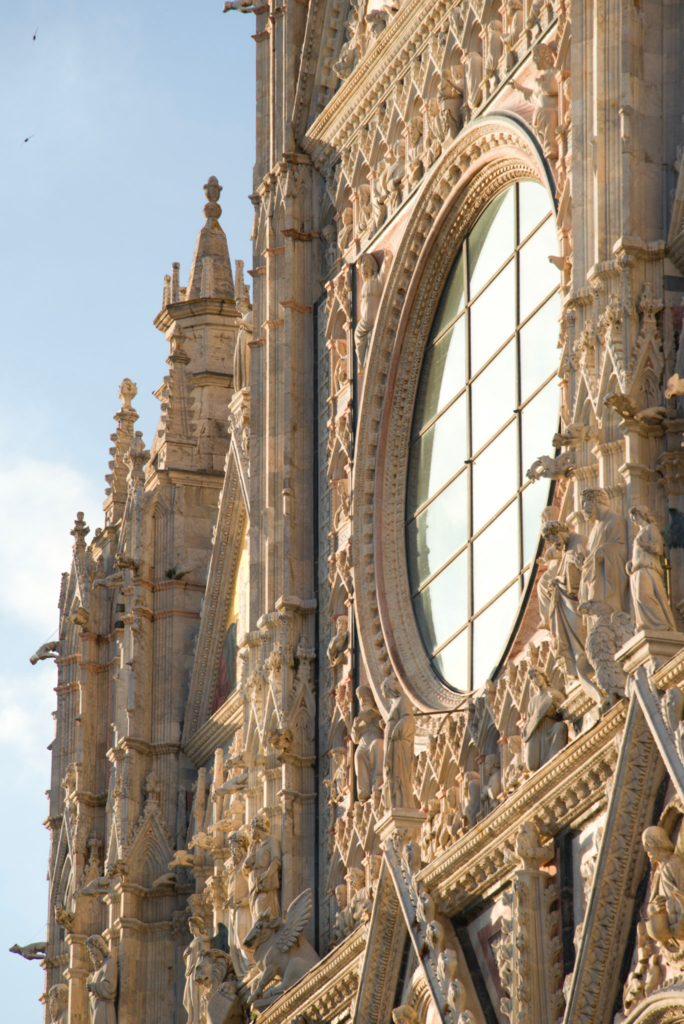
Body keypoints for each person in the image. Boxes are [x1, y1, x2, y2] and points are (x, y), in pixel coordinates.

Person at [627, 505, 677, 631]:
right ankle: (645, 624)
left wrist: (642, 544)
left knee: (644, 595)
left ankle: (659, 623)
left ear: (642, 514)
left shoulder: (651, 528)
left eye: (635, 516)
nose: (633, 520)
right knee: (638, 599)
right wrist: (631, 563)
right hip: (637, 569)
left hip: (647, 568)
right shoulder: (640, 531)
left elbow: (657, 549)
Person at [381, 676, 416, 809]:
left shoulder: (403, 699)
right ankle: (393, 801)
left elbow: (408, 719)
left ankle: (402, 802)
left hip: (399, 743)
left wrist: (397, 730)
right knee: (389, 769)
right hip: (391, 742)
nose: (382, 691)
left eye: (383, 688)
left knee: (399, 772)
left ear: (389, 688)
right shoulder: (394, 703)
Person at [85, 934, 118, 1024]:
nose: (93, 957)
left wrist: (94, 987)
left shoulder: (109, 963)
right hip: (96, 1008)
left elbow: (110, 988)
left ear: (101, 950)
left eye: (95, 954)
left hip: (104, 1008)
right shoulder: (97, 971)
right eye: (92, 955)